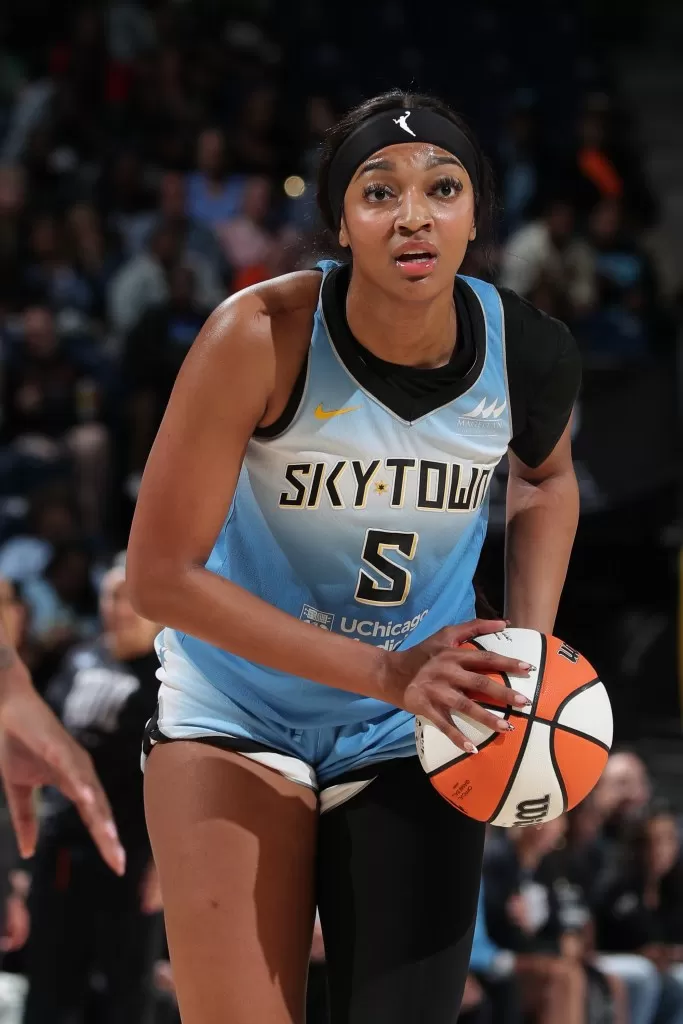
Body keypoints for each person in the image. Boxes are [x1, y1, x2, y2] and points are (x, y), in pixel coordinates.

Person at [127, 89, 581, 1024]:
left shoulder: (527, 350)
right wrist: (385, 669)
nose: (413, 213)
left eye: (442, 187)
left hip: (416, 722)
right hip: (236, 705)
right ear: (340, 221)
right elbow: (158, 579)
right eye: (379, 192)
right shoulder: (257, 336)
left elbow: (545, 478)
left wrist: (531, 658)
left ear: (472, 217)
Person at [22, 561, 160, 1023]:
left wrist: (165, 865)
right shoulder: (80, 657)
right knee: (49, 984)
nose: (119, 608)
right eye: (111, 595)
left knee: (126, 992)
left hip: (132, 856)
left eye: (131, 596)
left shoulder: (171, 675)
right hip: (63, 847)